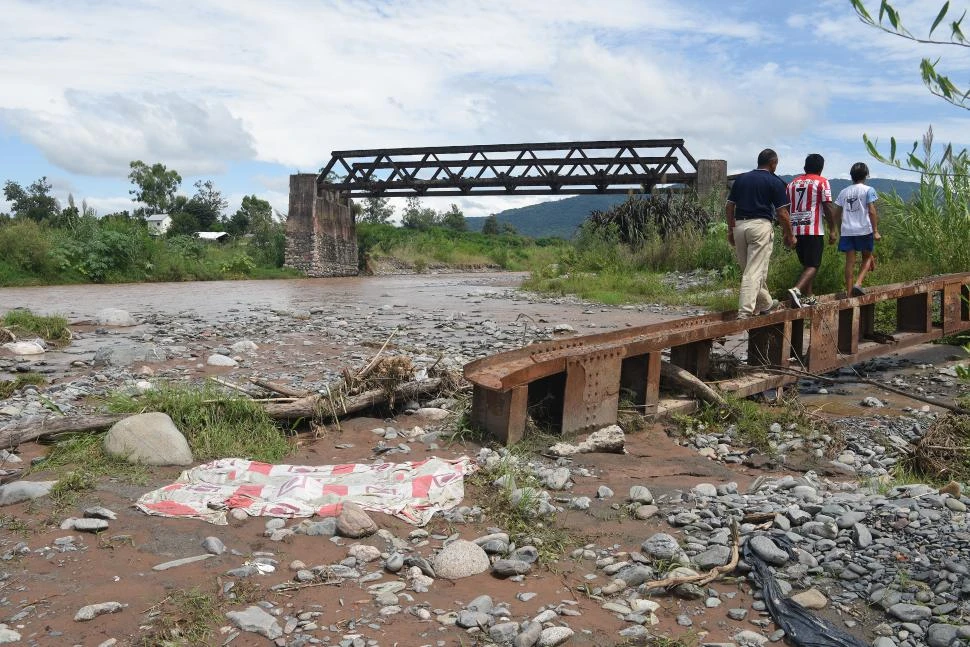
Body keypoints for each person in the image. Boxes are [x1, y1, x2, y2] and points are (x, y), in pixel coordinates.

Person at [726, 148, 795, 319]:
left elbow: (729, 206)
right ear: (773, 163)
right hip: (760, 225)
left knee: (750, 270)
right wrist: (790, 234)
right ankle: (744, 312)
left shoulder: (741, 179)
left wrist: (730, 228)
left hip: (740, 225)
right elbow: (782, 213)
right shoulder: (774, 181)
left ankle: (765, 303)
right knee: (754, 271)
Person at [786, 153, 836, 307]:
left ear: (804, 167)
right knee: (814, 265)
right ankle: (796, 290)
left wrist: (786, 233)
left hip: (795, 229)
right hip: (813, 229)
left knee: (807, 264)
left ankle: (809, 296)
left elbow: (786, 209)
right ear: (821, 168)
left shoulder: (791, 184)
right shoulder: (822, 182)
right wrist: (833, 229)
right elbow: (827, 206)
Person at [833, 162, 881, 296]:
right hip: (864, 230)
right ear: (866, 175)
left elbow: (836, 214)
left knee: (850, 262)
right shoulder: (868, 190)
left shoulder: (843, 192)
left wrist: (839, 229)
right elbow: (871, 211)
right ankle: (858, 283)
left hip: (847, 231)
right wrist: (876, 231)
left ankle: (849, 294)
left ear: (851, 176)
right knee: (867, 257)